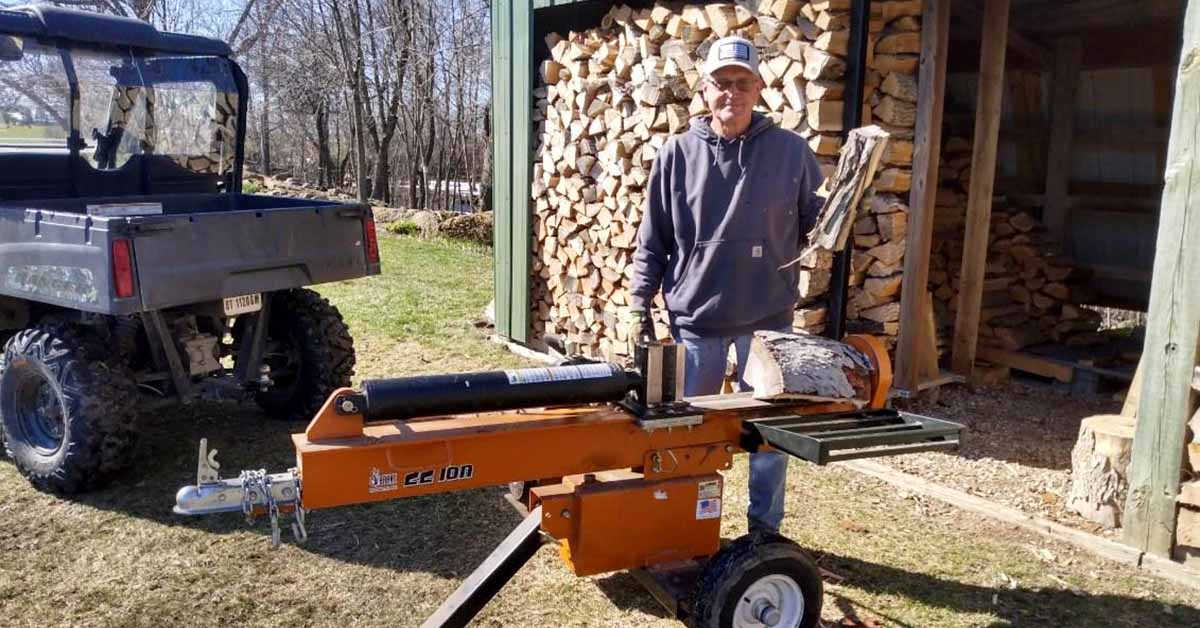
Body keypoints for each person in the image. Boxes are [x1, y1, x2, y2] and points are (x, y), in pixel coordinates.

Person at [627, 36, 825, 535]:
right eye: (720, 83)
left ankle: (764, 531)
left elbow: (819, 225)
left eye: (741, 83)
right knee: (691, 435)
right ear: (704, 88)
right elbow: (652, 239)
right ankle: (683, 527)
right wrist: (637, 306)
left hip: (768, 324)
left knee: (767, 439)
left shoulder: (792, 153)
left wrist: (840, 217)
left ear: (758, 88)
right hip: (698, 321)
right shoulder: (676, 154)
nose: (730, 93)